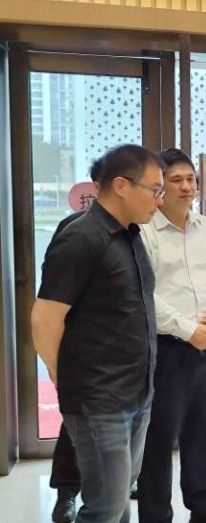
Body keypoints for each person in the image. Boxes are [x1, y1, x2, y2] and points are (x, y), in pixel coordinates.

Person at [32, 144, 165, 523]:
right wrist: (65, 377)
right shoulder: (81, 237)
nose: (160, 200)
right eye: (155, 190)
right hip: (99, 399)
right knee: (104, 508)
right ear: (121, 186)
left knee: (118, 499)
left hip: (137, 391)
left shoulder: (130, 234)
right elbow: (45, 319)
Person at [136, 148, 206, 523]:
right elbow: (144, 293)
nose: (186, 187)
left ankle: (203, 503)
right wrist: (187, 328)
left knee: (202, 431)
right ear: (160, 186)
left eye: (190, 179)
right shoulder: (145, 231)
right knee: (158, 440)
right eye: (175, 180)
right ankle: (155, 514)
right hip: (165, 349)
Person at [48, 159, 101, 523]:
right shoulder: (73, 229)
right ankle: (66, 491)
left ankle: (124, 480)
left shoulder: (136, 229)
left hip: (127, 346)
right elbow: (53, 295)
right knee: (76, 422)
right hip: (83, 343)